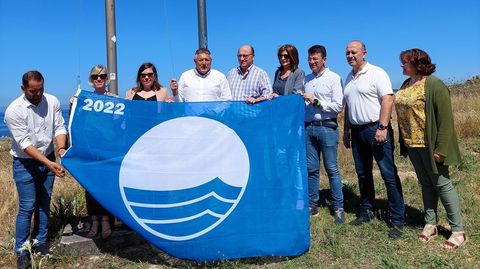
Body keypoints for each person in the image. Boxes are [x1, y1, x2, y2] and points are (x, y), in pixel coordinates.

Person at [395, 48, 468, 249]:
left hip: (430, 146)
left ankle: (458, 231)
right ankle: (430, 224)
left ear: (417, 63)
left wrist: (441, 149)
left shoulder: (434, 85)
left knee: (442, 185)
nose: (401, 65)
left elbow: (446, 121)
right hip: (412, 144)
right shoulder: (406, 84)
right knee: (425, 183)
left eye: (405, 62)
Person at [342, 40, 405, 239]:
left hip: (375, 129)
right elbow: (348, 106)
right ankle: (367, 211)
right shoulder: (349, 78)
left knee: (388, 174)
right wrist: (346, 130)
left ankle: (397, 220)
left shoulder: (376, 73)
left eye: (354, 52)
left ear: (364, 53)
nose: (350, 55)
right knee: (362, 174)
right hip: (358, 132)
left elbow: (388, 98)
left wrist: (382, 127)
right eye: (347, 53)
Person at [4, 71, 67, 269]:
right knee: (27, 206)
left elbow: (59, 127)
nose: (38, 94)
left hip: (48, 156)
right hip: (25, 163)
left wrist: (62, 149)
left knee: (44, 202)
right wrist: (50, 164)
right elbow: (25, 144)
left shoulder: (53, 101)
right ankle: (22, 249)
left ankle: (41, 242)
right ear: (23, 88)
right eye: (33, 91)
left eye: (41, 89)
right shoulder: (13, 110)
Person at [301, 45, 344, 223]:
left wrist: (316, 101)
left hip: (327, 127)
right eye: (310, 59)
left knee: (332, 169)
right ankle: (313, 205)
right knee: (311, 169)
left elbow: (338, 106)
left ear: (324, 59)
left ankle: (338, 207)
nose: (312, 62)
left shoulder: (334, 78)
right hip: (308, 128)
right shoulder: (306, 79)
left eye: (315, 59)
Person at [71, 65, 114, 239]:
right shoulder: (83, 99)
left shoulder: (113, 99)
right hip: (89, 149)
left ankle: (105, 221)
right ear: (91, 79)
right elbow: (76, 120)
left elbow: (120, 123)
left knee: (105, 185)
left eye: (102, 76)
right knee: (90, 186)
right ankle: (94, 222)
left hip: (106, 149)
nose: (99, 79)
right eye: (96, 77)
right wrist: (74, 104)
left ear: (106, 79)